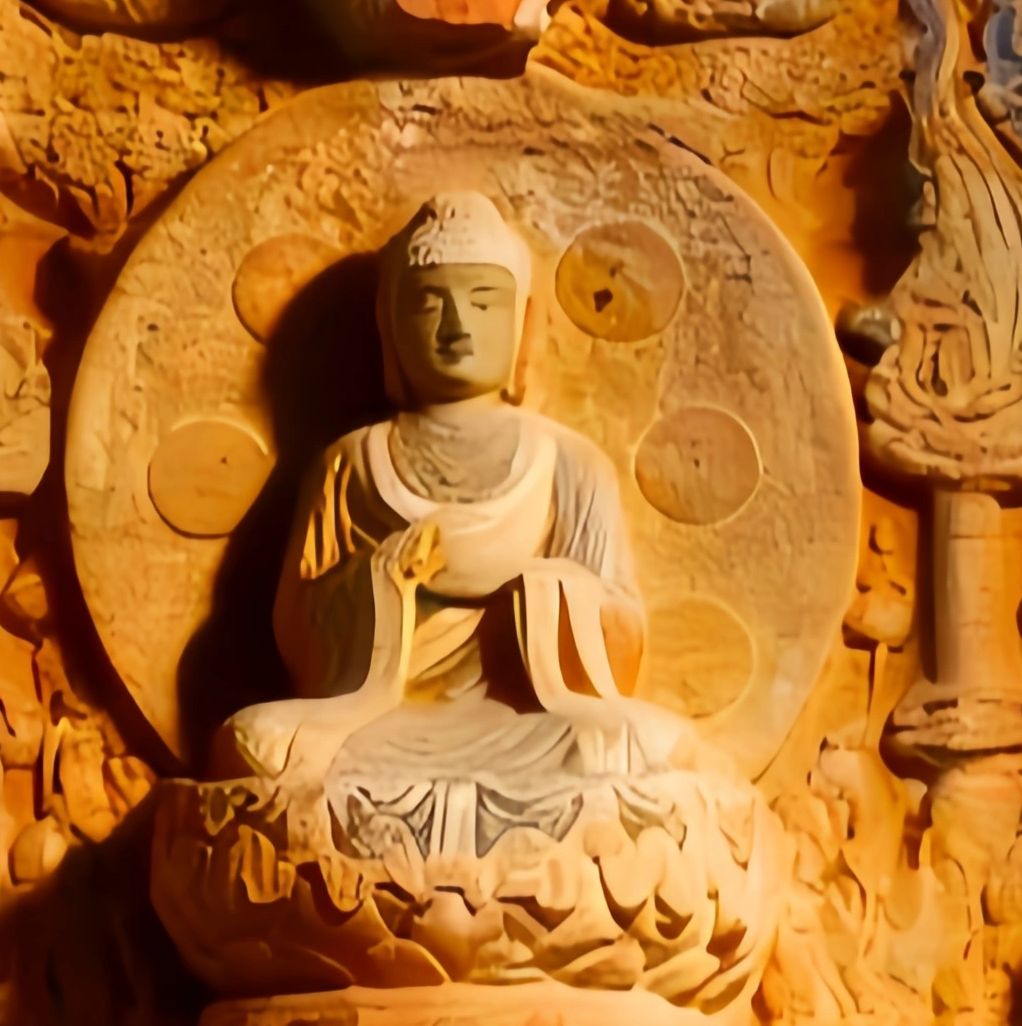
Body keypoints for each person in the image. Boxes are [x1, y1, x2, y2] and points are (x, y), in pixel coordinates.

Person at [224, 191, 723, 864]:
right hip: (381, 726)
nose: (457, 324)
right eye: (430, 302)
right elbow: (297, 625)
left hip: (534, 725)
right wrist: (381, 578)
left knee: (649, 747)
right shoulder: (353, 463)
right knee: (259, 743)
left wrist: (544, 589)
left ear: (521, 325)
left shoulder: (571, 465)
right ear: (390, 327)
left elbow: (623, 629)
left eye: (484, 302)